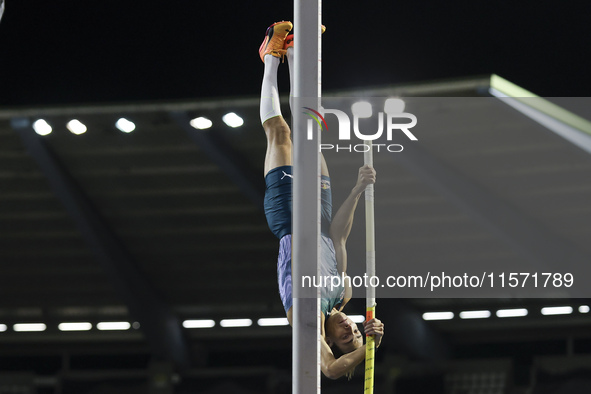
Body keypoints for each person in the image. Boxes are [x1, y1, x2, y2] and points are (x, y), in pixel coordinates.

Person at [259, 21, 385, 380]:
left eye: (347, 339)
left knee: (280, 132)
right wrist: (358, 189)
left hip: (289, 219)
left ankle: (271, 57)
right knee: (311, 131)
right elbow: (339, 236)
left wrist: (366, 351)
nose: (351, 329)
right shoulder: (342, 292)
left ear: (331, 341)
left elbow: (330, 371)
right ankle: (297, 51)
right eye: (357, 331)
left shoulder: (306, 318)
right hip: (319, 215)